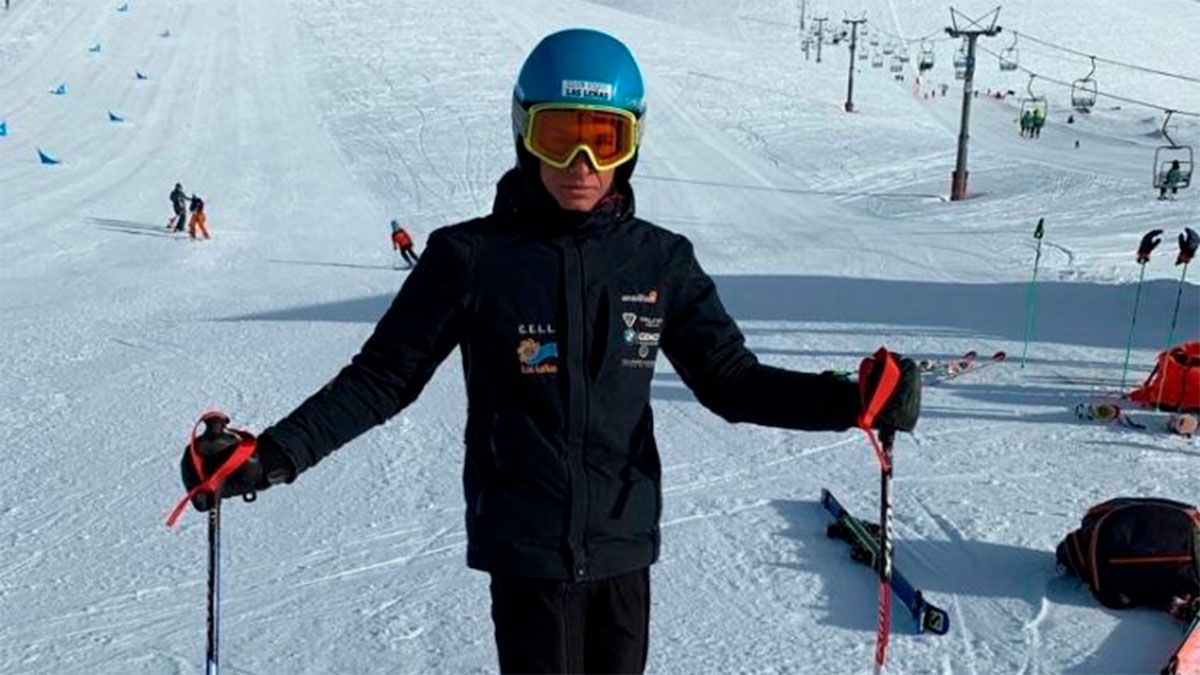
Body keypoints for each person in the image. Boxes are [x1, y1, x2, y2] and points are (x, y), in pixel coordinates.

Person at [176, 29, 921, 674]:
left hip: (624, 545)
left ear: (631, 141)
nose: (582, 162)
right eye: (559, 135)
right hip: (526, 551)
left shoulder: (660, 260)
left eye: (605, 138)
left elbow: (731, 381)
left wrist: (850, 400)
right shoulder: (470, 258)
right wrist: (272, 453)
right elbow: (384, 377)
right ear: (523, 132)